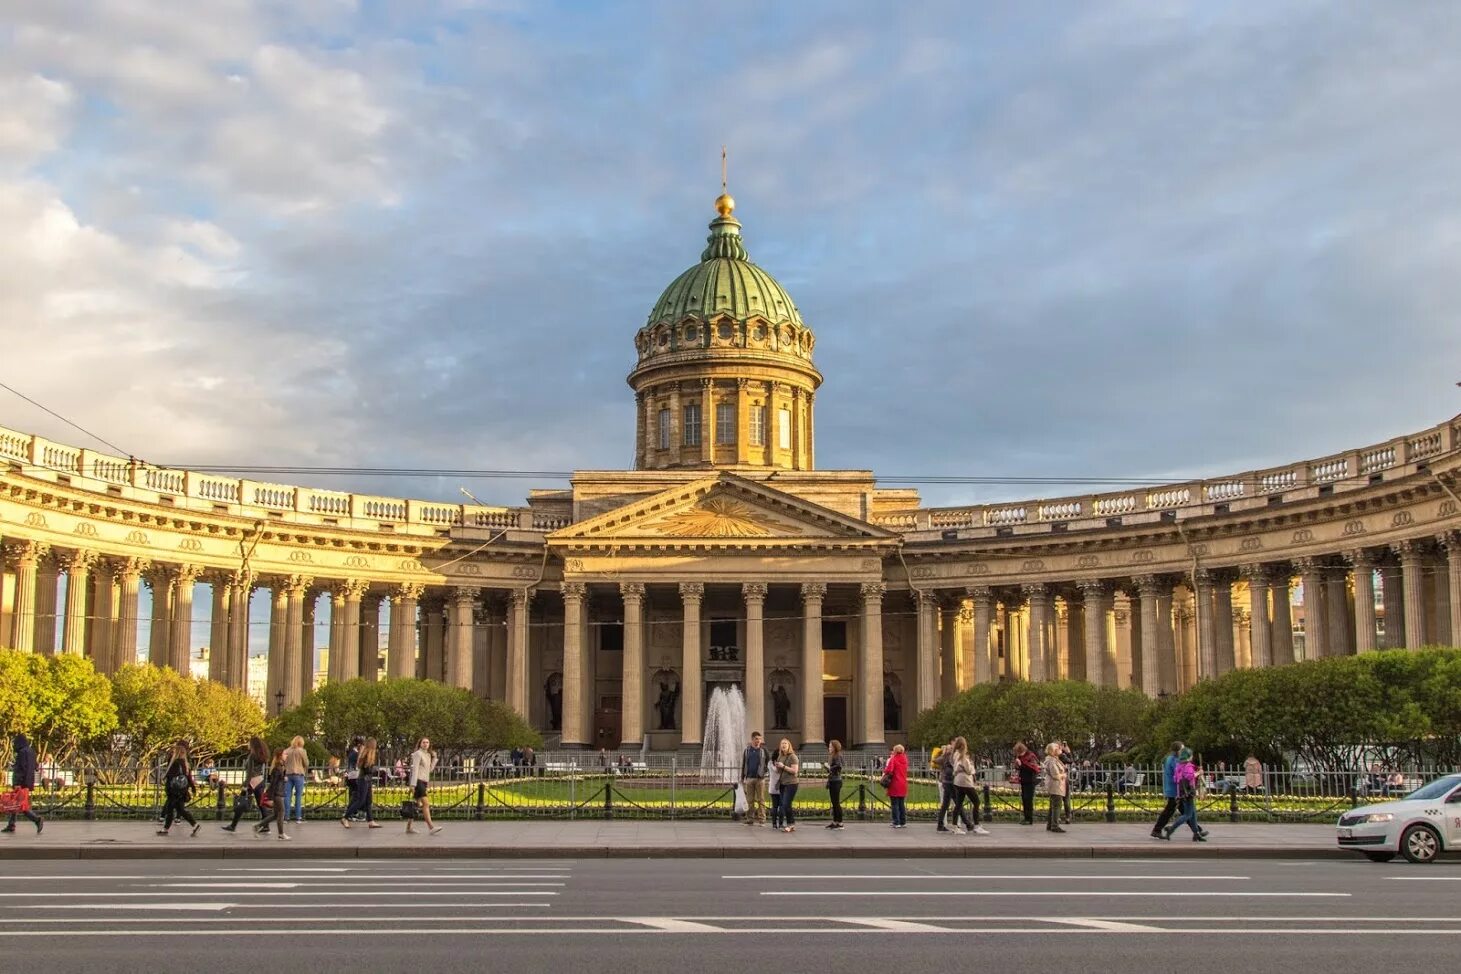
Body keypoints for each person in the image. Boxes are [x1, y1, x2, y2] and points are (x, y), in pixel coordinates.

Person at [222, 735, 271, 833]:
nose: (248, 745)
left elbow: (249, 773)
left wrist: (245, 785)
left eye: (249, 743)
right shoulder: (261, 755)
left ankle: (233, 825)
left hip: (251, 781)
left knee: (241, 803)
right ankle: (266, 826)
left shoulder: (252, 756)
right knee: (261, 805)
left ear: (252, 745)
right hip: (260, 780)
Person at [1162, 747, 1208, 841]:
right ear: (1189, 756)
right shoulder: (1188, 766)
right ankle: (1171, 830)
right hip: (1189, 792)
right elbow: (1190, 776)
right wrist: (1199, 773)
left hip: (1182, 793)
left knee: (1193, 814)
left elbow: (1176, 778)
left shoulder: (1179, 766)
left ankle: (1196, 834)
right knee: (1187, 815)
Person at [157, 741, 201, 837]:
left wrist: (164, 779)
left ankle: (165, 829)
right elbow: (189, 777)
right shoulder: (185, 763)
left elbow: (171, 776)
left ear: (176, 752)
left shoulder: (175, 763)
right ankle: (194, 825)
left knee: (170, 810)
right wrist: (193, 788)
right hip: (182, 790)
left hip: (174, 790)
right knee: (180, 810)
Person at [2, 733, 43, 834]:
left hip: (21, 783)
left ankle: (36, 819)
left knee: (21, 805)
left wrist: (18, 782)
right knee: (15, 803)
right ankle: (11, 824)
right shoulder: (31, 751)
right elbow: (36, 766)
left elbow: (21, 769)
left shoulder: (22, 752)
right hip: (28, 782)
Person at [949, 736, 989, 835]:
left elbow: (956, 767)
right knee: (976, 802)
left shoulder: (955, 754)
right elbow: (969, 770)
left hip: (958, 781)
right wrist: (971, 768)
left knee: (958, 804)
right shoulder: (963, 756)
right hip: (965, 782)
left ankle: (955, 826)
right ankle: (976, 825)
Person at [341, 737, 381, 828]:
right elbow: (367, 769)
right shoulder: (367, 754)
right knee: (360, 800)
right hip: (363, 779)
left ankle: (370, 820)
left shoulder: (366, 754)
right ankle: (345, 817)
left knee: (368, 801)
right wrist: (374, 769)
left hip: (367, 779)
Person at [407, 737, 442, 835]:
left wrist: (434, 758)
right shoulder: (418, 754)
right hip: (418, 781)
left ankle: (409, 827)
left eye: (427, 742)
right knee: (426, 804)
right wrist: (413, 785)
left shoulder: (427, 755)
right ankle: (431, 827)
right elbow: (415, 769)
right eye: (424, 742)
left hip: (424, 781)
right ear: (420, 744)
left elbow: (429, 770)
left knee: (417, 805)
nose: (426, 744)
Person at [1151, 741, 1183, 840]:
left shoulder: (1170, 758)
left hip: (1172, 789)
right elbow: (1179, 775)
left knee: (1184, 811)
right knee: (1173, 811)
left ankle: (1197, 830)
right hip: (1175, 790)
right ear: (1178, 750)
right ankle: (1157, 830)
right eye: (1182, 749)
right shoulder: (1175, 760)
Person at [740, 731, 768, 826]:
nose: (758, 741)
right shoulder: (747, 751)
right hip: (749, 778)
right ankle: (749, 819)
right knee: (749, 800)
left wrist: (764, 772)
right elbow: (744, 764)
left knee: (761, 799)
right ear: (752, 739)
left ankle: (762, 819)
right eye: (756, 739)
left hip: (760, 779)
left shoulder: (763, 751)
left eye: (760, 739)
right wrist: (742, 777)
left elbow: (769, 762)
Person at [772, 739, 800, 833]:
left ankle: (790, 824)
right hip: (783, 783)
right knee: (787, 805)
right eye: (782, 743)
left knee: (785, 804)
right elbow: (778, 771)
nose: (783, 745)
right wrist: (777, 767)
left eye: (785, 743)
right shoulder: (780, 756)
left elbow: (794, 771)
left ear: (789, 746)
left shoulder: (793, 757)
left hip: (791, 784)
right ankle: (791, 824)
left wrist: (783, 766)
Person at [1012, 742, 1040, 825]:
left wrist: (1022, 764)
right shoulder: (1021, 757)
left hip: (1030, 780)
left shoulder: (1031, 756)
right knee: (1024, 799)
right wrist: (1017, 765)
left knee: (1028, 799)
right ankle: (1026, 817)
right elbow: (1019, 768)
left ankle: (1029, 818)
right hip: (1023, 780)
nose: (1018, 754)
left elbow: (1034, 768)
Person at [283, 735, 309, 824]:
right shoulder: (302, 751)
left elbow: (283, 762)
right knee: (298, 796)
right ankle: (298, 817)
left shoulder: (286, 751)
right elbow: (306, 762)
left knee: (287, 796)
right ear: (301, 742)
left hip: (288, 774)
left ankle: (286, 817)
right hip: (299, 774)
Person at [1042, 742, 1067, 833]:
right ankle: (1055, 825)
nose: (1060, 749)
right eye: (1058, 748)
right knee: (1057, 805)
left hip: (1056, 785)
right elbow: (1055, 775)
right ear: (1053, 751)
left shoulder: (1054, 759)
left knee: (1053, 806)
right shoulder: (1052, 761)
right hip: (1055, 785)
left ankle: (1050, 824)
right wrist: (1063, 775)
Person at [265, 748, 290, 840]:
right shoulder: (277, 768)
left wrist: (283, 779)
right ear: (280, 755)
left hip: (279, 792)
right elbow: (273, 783)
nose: (286, 755)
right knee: (281, 812)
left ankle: (257, 826)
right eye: (285, 754)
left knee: (276, 814)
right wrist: (270, 797)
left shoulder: (281, 766)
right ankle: (281, 833)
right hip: (277, 793)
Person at [884, 744, 909, 828]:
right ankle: (903, 821)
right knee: (901, 804)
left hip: (895, 783)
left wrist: (885, 771)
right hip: (903, 783)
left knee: (894, 804)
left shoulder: (893, 759)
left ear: (895, 751)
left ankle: (896, 821)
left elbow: (889, 770)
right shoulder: (905, 759)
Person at [934, 741, 956, 832]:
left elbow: (934, 759)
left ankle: (944, 823)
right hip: (950, 782)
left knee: (947, 804)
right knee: (954, 803)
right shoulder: (951, 758)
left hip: (946, 782)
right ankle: (955, 823)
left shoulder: (945, 757)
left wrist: (940, 752)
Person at [825, 740, 845, 830]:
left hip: (836, 781)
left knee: (836, 803)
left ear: (834, 747)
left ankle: (840, 823)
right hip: (832, 781)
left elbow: (839, 766)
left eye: (830, 746)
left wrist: (829, 767)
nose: (829, 748)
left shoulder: (838, 755)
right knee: (834, 802)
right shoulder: (832, 756)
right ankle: (835, 821)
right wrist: (827, 768)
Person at [1058, 741, 1075, 823]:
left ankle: (1057, 817)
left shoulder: (1052, 756)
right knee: (1066, 798)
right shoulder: (1062, 755)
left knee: (1057, 799)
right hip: (1063, 778)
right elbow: (1070, 761)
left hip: (1056, 779)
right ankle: (1068, 816)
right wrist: (1068, 752)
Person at [767, 746, 783, 830]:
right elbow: (777, 770)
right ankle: (780, 823)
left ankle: (774, 824)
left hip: (772, 787)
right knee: (781, 805)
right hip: (780, 786)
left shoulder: (770, 763)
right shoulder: (780, 764)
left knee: (775, 806)